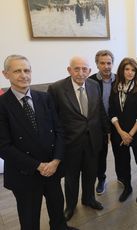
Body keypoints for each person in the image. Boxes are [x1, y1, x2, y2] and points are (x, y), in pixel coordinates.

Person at [0, 55, 77, 230]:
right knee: (29, 217)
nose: (23, 75)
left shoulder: (44, 98)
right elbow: (3, 147)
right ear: (6, 74)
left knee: (57, 207)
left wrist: (56, 161)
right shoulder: (2, 105)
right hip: (25, 172)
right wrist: (38, 166)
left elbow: (59, 130)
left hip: (52, 168)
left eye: (26, 70)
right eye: (17, 71)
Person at [48, 56, 107, 221]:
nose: (81, 73)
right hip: (70, 143)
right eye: (77, 69)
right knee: (71, 177)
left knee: (91, 173)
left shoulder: (95, 85)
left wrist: (106, 132)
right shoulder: (57, 89)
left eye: (85, 69)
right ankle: (71, 206)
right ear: (69, 70)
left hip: (93, 141)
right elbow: (52, 119)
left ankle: (88, 199)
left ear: (89, 70)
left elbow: (100, 111)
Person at [109, 58, 137, 203]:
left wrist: (130, 134)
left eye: (133, 70)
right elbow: (112, 111)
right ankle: (127, 187)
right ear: (121, 70)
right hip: (120, 133)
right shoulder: (115, 86)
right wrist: (121, 132)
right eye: (127, 69)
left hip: (136, 133)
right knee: (123, 161)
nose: (130, 72)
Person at [89, 50, 116, 195]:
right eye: (102, 63)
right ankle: (101, 178)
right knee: (101, 154)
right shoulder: (91, 81)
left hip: (117, 123)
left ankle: (123, 178)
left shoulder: (119, 79)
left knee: (120, 152)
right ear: (97, 64)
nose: (106, 66)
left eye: (109, 63)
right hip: (99, 125)